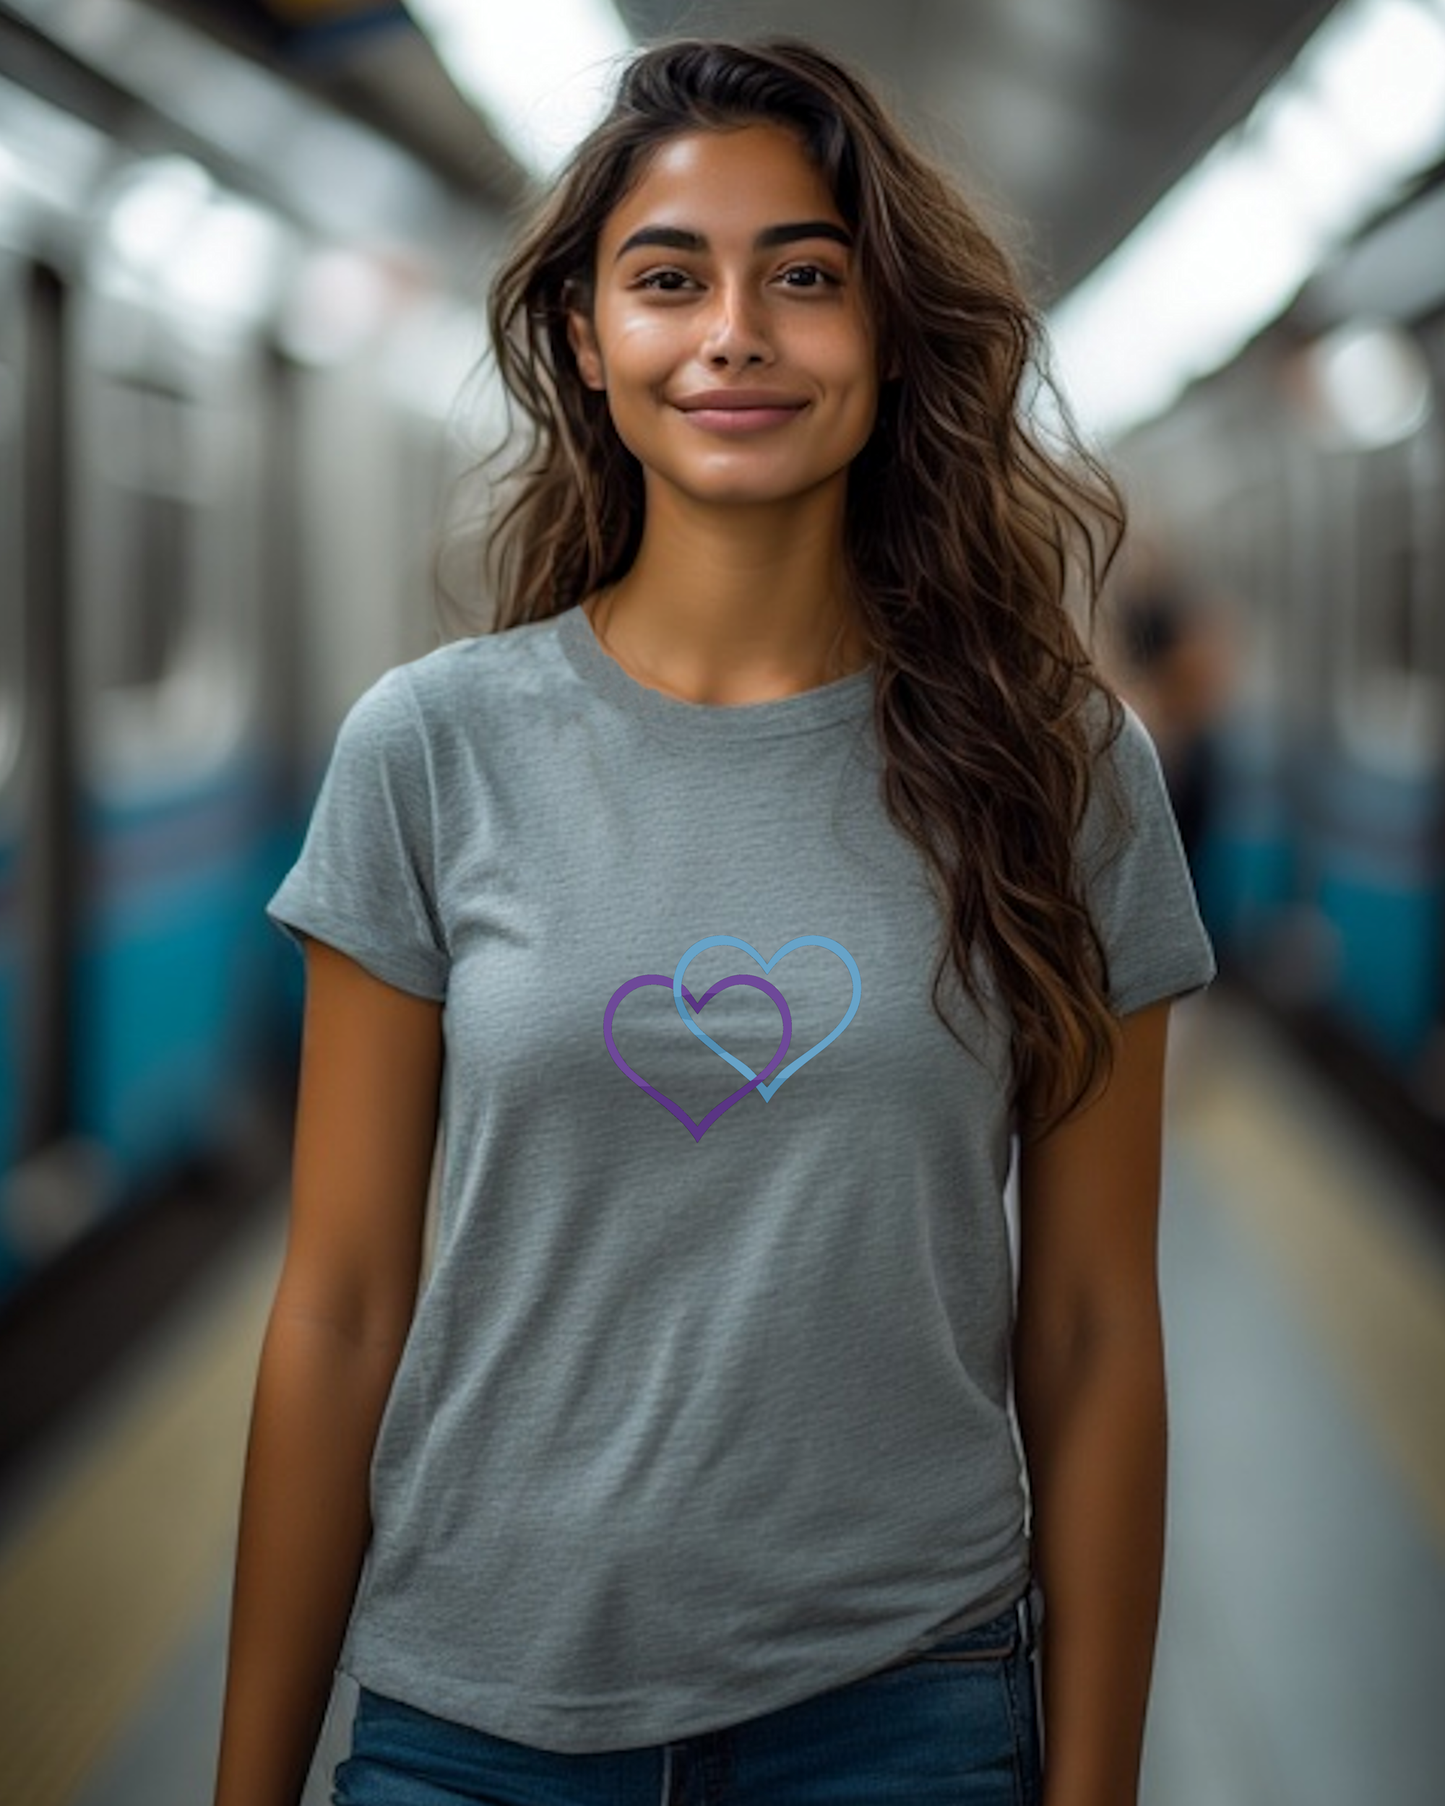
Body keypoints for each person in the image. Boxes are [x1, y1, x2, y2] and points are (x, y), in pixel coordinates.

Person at [213, 36, 1214, 1806]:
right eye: (669, 278)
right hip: (469, 1721)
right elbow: (344, 1304)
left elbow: (1090, 1326)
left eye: (806, 278)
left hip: (904, 1715)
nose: (735, 329)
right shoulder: (430, 750)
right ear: (589, 344)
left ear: (890, 338)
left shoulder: (1061, 771)